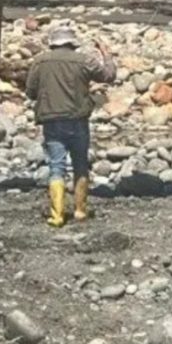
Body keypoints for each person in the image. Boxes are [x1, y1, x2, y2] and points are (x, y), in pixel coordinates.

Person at [25, 26, 116, 227]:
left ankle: (57, 216)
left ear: (53, 43)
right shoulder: (84, 60)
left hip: (51, 120)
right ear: (72, 43)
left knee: (56, 167)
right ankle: (80, 211)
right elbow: (109, 76)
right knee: (80, 165)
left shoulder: (40, 61)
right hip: (78, 119)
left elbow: (30, 91)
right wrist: (106, 54)